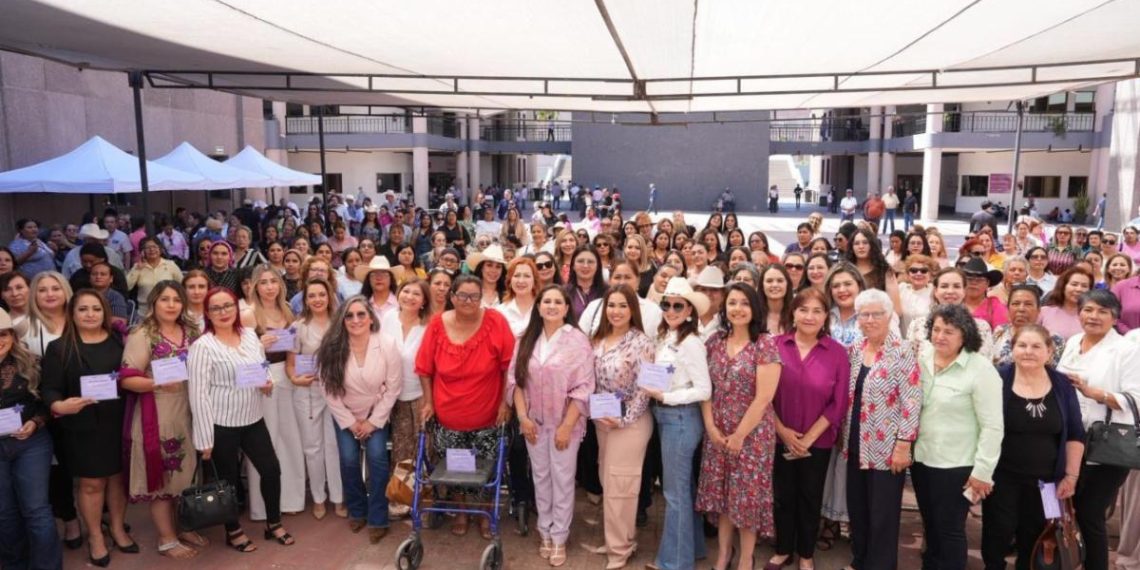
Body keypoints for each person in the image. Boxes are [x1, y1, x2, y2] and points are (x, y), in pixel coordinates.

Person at [188, 287, 294, 552]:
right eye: (216, 308)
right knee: (229, 481)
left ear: (237, 308)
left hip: (253, 418)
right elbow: (198, 394)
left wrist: (265, 382)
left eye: (228, 306)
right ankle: (233, 530)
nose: (223, 312)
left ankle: (273, 523)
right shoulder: (202, 347)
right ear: (207, 313)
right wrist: (204, 439)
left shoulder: (249, 336)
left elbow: (259, 369)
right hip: (221, 424)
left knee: (271, 469)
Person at [415, 275, 516, 539]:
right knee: (457, 467)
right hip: (449, 414)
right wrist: (428, 402)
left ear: (482, 297)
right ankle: (460, 510)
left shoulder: (496, 322)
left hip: (488, 414)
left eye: (474, 296)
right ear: (452, 296)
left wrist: (506, 402)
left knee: (485, 466)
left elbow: (509, 367)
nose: (468, 301)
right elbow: (425, 368)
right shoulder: (437, 324)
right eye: (462, 296)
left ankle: (484, 513)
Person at [41, 290, 133, 567]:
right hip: (82, 425)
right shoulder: (60, 348)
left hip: (118, 420)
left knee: (118, 479)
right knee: (92, 484)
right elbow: (49, 389)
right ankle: (95, 536)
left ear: (105, 312)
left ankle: (117, 528)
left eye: (96, 308)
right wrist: (58, 405)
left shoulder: (119, 341)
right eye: (83, 309)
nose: (90, 314)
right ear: (72, 313)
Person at [117, 282, 208, 559]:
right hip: (158, 412)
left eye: (176, 300)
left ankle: (183, 526)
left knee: (186, 475)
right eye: (164, 299)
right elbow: (127, 378)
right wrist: (157, 382)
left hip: (190, 409)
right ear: (153, 302)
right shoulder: (143, 334)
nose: (171, 305)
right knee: (162, 480)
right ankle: (167, 539)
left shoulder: (192, 331)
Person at [982, 324, 1085, 570]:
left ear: (1049, 351)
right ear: (1013, 348)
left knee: (1039, 535)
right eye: (1022, 345)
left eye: (1036, 346)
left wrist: (1071, 476)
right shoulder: (997, 378)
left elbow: (1075, 433)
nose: (1028, 351)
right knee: (998, 531)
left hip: (1048, 481)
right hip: (1002, 476)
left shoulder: (1062, 384)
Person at [508, 284, 595, 567]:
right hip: (533, 423)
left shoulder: (577, 341)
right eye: (547, 301)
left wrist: (567, 427)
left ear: (567, 309)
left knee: (563, 479)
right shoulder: (525, 338)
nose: (552, 306)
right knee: (541, 478)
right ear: (539, 306)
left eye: (559, 302)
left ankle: (559, 536)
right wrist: (522, 417)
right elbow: (515, 381)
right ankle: (543, 530)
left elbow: (584, 387)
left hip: (564, 424)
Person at [696, 283, 781, 570]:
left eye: (745, 303)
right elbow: (704, 388)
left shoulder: (765, 344)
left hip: (752, 436)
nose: (738, 309)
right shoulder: (714, 343)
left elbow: (764, 397)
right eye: (732, 302)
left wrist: (739, 436)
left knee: (746, 500)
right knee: (722, 497)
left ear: (754, 308)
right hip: (718, 431)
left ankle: (746, 558)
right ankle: (723, 555)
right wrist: (711, 427)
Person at [913, 304, 1004, 570]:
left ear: (964, 335)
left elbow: (993, 426)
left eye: (949, 331)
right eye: (936, 329)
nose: (940, 336)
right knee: (931, 527)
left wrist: (983, 471)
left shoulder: (981, 369)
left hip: (958, 466)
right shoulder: (924, 357)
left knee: (950, 530)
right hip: (922, 460)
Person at [1056, 290, 1140, 570]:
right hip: (1069, 440)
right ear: (1078, 313)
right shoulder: (1073, 342)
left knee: (1091, 513)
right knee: (1065, 510)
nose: (1094, 316)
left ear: (1115, 317)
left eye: (1103, 311)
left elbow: (1136, 398)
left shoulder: (1127, 348)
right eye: (1088, 310)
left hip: (1106, 446)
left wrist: (1096, 393)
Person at [769, 288, 851, 570]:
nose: (809, 316)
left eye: (817, 311)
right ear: (793, 312)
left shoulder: (837, 353)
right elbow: (762, 395)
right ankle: (783, 550)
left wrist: (809, 438)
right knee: (783, 496)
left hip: (818, 442)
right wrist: (783, 432)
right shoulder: (775, 345)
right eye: (803, 310)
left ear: (826, 316)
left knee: (810, 496)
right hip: (780, 437)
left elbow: (838, 402)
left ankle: (805, 553)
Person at [841, 289, 921, 570]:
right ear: (857, 319)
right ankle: (859, 561)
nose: (870, 320)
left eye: (877, 314)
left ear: (890, 317)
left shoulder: (902, 352)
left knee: (883, 516)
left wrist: (903, 445)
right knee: (859, 511)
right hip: (855, 444)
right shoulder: (854, 351)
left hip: (887, 449)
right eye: (864, 314)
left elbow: (912, 401)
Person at [635, 277, 711, 570]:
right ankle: (692, 550)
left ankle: (674, 563)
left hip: (680, 418)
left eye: (678, 305)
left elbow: (704, 390)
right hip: (668, 417)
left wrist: (667, 396)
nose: (670, 309)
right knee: (683, 488)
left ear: (690, 310)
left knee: (675, 493)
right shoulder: (669, 336)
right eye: (666, 303)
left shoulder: (691, 342)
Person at [315, 295, 401, 544]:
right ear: (342, 320)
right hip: (345, 414)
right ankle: (357, 510)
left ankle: (378, 517)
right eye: (349, 315)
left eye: (361, 314)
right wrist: (351, 422)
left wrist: (374, 421)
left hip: (376, 412)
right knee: (349, 460)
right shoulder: (331, 346)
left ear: (371, 317)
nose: (355, 320)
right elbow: (327, 390)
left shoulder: (386, 343)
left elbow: (394, 387)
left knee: (377, 460)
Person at [586, 284, 655, 569]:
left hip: (631, 423)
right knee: (608, 481)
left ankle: (620, 549)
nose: (615, 311)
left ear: (632, 310)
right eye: (611, 305)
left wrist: (625, 419)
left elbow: (646, 388)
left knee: (621, 486)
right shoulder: (597, 339)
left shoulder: (642, 342)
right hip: (603, 420)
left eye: (622, 306)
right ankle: (617, 539)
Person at [0, 307, 60, 570]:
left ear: (13, 336)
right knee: (5, 513)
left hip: (30, 443)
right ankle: (15, 564)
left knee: (36, 510)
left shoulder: (32, 362)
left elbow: (48, 403)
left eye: (3, 334)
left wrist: (35, 423)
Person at [286, 279, 345, 520]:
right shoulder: (297, 327)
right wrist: (295, 379)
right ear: (305, 300)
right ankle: (319, 498)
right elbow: (291, 364)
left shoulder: (339, 324)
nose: (318, 299)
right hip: (307, 392)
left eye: (322, 294)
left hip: (335, 392)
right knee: (313, 448)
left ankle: (339, 498)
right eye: (312, 296)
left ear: (330, 296)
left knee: (334, 446)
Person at [379, 279, 431, 517]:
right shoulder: (387, 319)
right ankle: (402, 497)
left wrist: (430, 400)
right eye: (406, 291)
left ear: (423, 301)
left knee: (424, 448)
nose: (410, 296)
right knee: (401, 450)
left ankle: (425, 499)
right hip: (392, 396)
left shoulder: (429, 326)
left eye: (416, 294)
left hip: (421, 395)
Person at [907, 268, 996, 359]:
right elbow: (910, 365)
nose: (950, 291)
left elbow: (986, 364)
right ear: (936, 291)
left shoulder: (981, 327)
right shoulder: (917, 325)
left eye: (956, 286)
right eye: (944, 286)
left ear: (964, 291)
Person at [992, 284, 1065, 368]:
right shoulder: (1000, 331)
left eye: (1028, 304)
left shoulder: (1053, 339)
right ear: (1008, 309)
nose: (1021, 309)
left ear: (1038, 310)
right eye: (1016, 304)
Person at [127, 237, 184, 317]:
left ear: (160, 249)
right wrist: (137, 269)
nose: (152, 250)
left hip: (167, 311)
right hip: (145, 313)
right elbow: (127, 286)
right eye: (148, 248)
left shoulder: (170, 265)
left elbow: (183, 285)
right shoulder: (137, 267)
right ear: (142, 252)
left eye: (154, 247)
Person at [1038, 266, 1094, 341]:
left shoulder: (1092, 316)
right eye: (1074, 284)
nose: (1079, 289)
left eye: (1084, 286)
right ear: (1063, 286)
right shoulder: (1044, 312)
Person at [960, 258, 1009, 331]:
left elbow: (1001, 336)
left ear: (987, 283)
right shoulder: (953, 303)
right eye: (969, 279)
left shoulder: (995, 306)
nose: (974, 283)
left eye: (979, 280)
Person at [355, 256, 402, 320]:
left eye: (384, 274)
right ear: (368, 279)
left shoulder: (401, 302)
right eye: (374, 274)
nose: (379, 278)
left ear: (391, 279)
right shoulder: (361, 304)